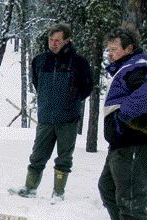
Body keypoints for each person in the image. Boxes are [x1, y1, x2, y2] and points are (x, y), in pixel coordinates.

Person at [98, 28, 147, 220]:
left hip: (134, 143)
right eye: (109, 49)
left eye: (114, 49)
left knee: (131, 194)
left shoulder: (140, 66)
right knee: (107, 187)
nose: (110, 54)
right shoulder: (128, 67)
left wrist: (121, 118)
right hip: (122, 143)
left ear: (129, 49)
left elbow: (146, 94)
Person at [10, 23, 93, 202]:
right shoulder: (39, 60)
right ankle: (30, 187)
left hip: (68, 119)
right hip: (46, 117)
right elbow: (36, 83)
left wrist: (71, 99)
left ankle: (58, 192)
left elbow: (87, 87)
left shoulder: (78, 62)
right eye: (51, 40)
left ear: (67, 41)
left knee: (64, 157)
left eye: (58, 41)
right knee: (37, 155)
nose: (53, 44)